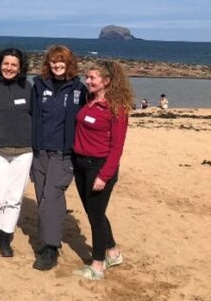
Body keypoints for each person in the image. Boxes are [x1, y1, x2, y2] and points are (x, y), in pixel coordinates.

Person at [72, 60, 132, 280]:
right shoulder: (89, 100)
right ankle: (113, 252)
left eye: (92, 78)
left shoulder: (117, 108)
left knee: (95, 217)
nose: (87, 81)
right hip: (80, 164)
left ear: (106, 81)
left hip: (99, 167)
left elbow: (117, 148)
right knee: (94, 212)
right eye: (87, 77)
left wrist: (104, 176)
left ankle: (97, 265)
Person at [30, 46, 88, 270]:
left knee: (50, 199)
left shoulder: (79, 89)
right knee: (43, 198)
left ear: (69, 62)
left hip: (64, 155)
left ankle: (50, 247)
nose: (57, 64)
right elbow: (32, 116)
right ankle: (49, 239)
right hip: (40, 152)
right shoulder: (38, 86)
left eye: (61, 61)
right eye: (53, 61)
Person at [0, 47, 33, 257]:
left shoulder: (28, 87)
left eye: (14, 65)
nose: (9, 68)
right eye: (6, 64)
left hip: (24, 150)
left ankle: (5, 238)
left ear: (20, 68)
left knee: (14, 198)